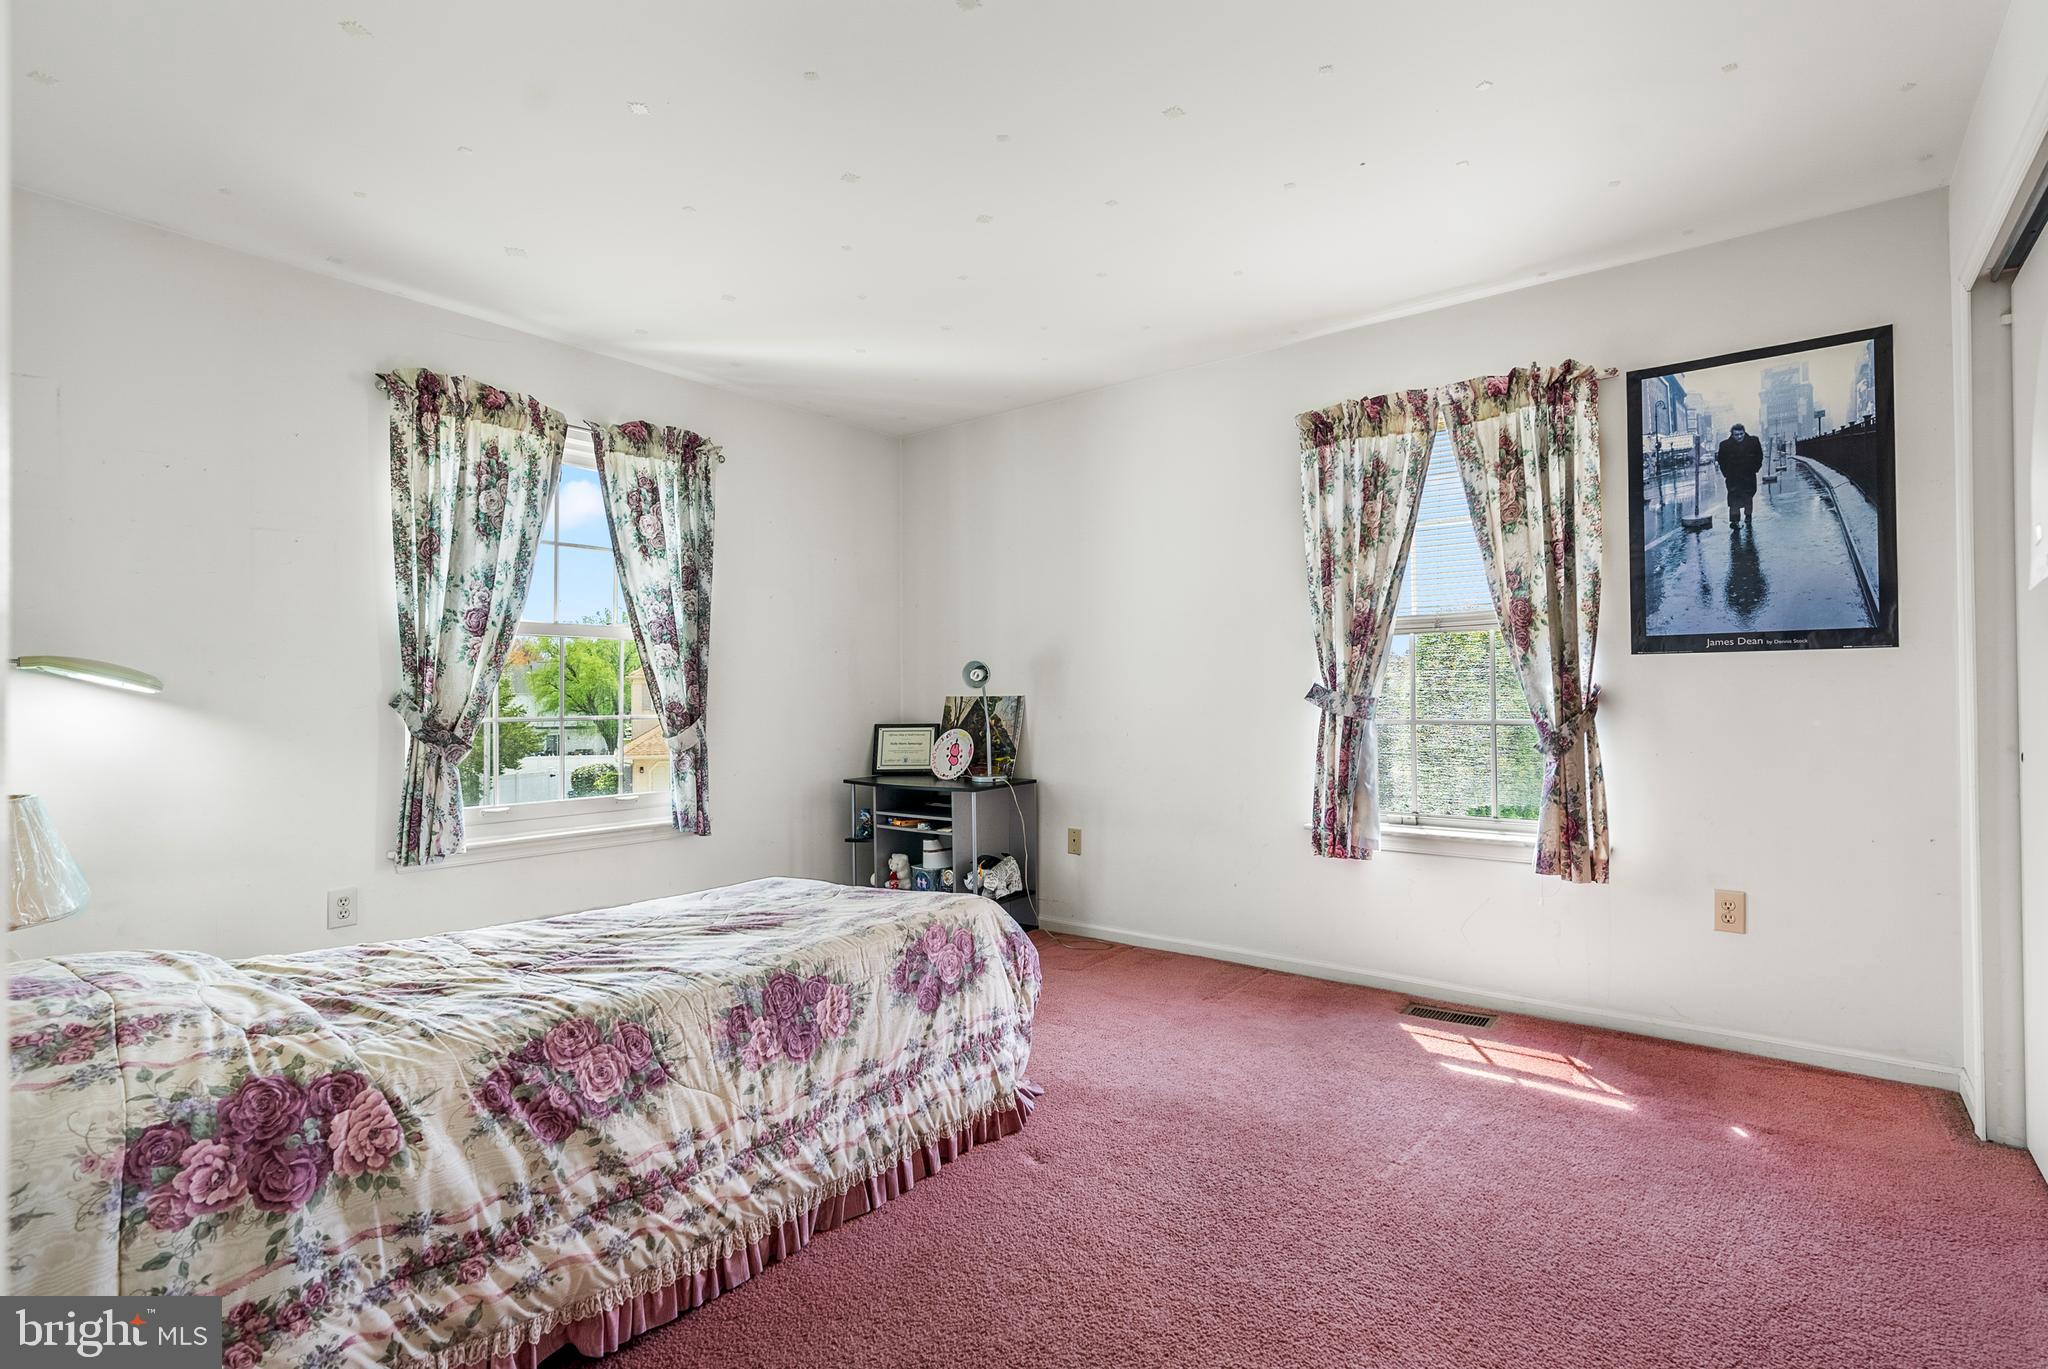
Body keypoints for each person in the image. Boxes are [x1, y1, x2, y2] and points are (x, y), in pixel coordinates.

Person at [1716, 423, 1765, 530]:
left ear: (1744, 432)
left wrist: (1755, 469)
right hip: (1733, 478)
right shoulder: (1724, 445)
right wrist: (1726, 474)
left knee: (1748, 497)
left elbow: (1759, 456)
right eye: (1736, 435)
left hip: (1748, 477)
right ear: (1732, 434)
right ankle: (1735, 521)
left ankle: (1748, 516)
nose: (1739, 437)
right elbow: (1721, 461)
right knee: (1733, 499)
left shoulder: (1753, 441)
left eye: (1741, 434)